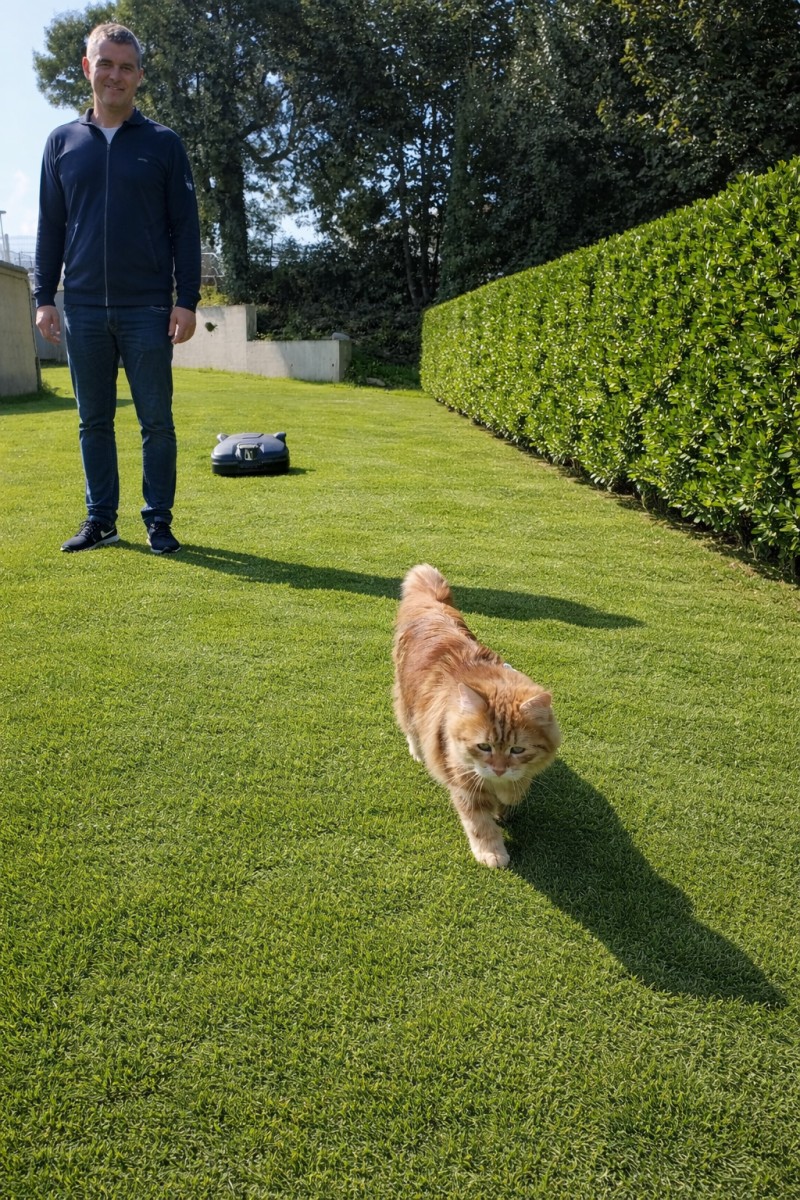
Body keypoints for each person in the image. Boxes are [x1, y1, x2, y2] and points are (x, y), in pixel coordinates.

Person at [34, 22, 201, 554]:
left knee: (157, 423)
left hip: (147, 308)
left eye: (126, 67)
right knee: (93, 421)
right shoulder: (61, 142)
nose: (115, 75)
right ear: (88, 67)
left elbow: (185, 228)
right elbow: (50, 227)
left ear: (139, 76)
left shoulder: (164, 144)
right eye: (105, 63)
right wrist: (43, 297)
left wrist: (186, 300)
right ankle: (100, 520)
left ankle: (158, 521)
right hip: (82, 307)